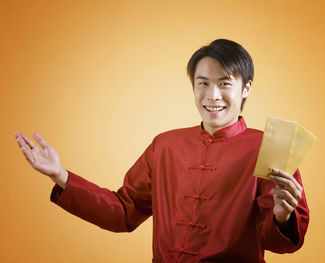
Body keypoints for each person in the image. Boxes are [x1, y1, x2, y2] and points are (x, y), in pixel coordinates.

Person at [14, 39, 309, 263]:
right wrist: (61, 176)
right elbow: (123, 212)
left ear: (246, 89)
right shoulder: (165, 145)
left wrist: (283, 216)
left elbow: (282, 244)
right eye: (202, 83)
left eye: (224, 84)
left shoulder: (271, 146)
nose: (212, 95)